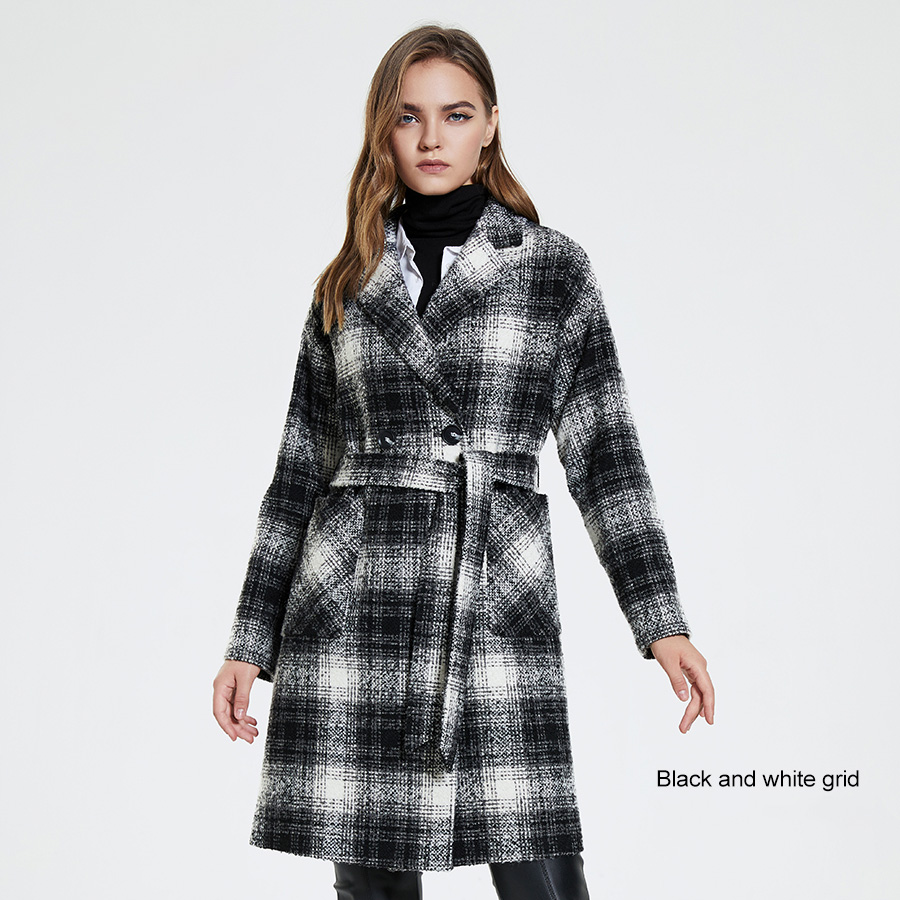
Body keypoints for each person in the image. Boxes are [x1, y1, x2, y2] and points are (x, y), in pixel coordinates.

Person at [212, 23, 714, 900]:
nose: (431, 137)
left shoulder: (551, 270)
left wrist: (660, 620)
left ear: (490, 126)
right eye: (408, 116)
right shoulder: (348, 281)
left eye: (455, 114)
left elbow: (606, 456)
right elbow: (296, 472)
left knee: (538, 868)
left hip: (492, 591)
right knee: (371, 879)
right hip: (358, 604)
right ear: (384, 130)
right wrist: (250, 641)